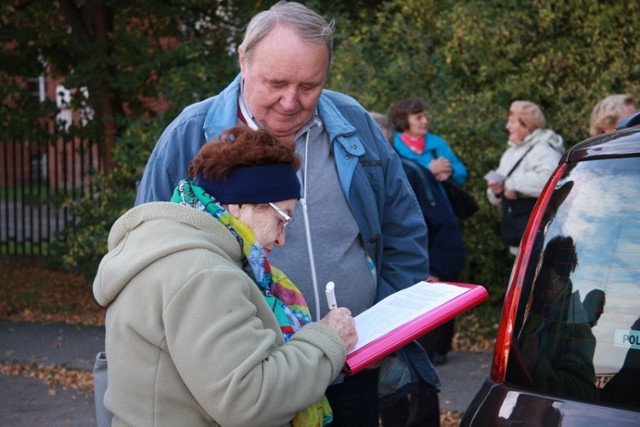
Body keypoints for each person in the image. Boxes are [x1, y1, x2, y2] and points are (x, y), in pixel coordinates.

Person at [134, 2, 436, 425]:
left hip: (354, 367)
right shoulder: (190, 134)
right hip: (251, 383)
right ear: (243, 60)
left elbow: (403, 229)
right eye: (275, 82)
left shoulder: (353, 123)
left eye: (309, 86)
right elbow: (149, 255)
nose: (290, 102)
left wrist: (384, 327)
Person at [93, 125, 358, 426]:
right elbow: (248, 399)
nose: (282, 239)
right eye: (282, 218)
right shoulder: (205, 274)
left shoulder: (173, 249)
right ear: (238, 204)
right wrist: (327, 341)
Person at [372, 111, 464, 426]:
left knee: (413, 372)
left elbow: (442, 227)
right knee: (386, 377)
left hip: (411, 289)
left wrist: (434, 271)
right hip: (377, 293)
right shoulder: (360, 175)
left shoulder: (408, 172)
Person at [486, 100, 564, 255]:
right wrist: (496, 191)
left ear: (527, 124)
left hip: (541, 242)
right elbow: (498, 195)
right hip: (520, 242)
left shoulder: (544, 150)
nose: (507, 126)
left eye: (512, 122)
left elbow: (551, 181)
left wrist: (511, 184)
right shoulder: (510, 153)